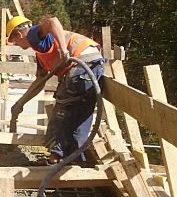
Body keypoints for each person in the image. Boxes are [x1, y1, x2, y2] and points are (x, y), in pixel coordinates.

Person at [6, 15, 105, 164]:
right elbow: (39, 82)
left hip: (81, 64)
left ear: (19, 34)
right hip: (93, 66)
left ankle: (55, 158)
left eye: (14, 41)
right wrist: (21, 103)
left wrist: (64, 51)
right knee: (80, 117)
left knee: (61, 111)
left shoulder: (34, 35)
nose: (16, 45)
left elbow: (53, 21)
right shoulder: (40, 53)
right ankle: (76, 162)